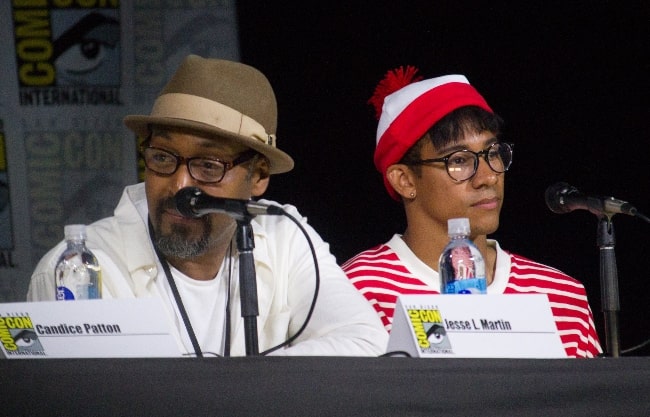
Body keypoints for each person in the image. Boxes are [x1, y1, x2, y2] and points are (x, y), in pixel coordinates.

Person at [27, 54, 388, 357]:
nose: (180, 185)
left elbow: (366, 341)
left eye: (209, 166)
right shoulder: (78, 271)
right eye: (163, 157)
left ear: (259, 177)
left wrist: (237, 380)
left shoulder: (284, 236)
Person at [341, 66, 602, 358]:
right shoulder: (355, 293)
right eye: (460, 160)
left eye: (493, 153)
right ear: (405, 180)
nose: (488, 176)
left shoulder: (562, 297)